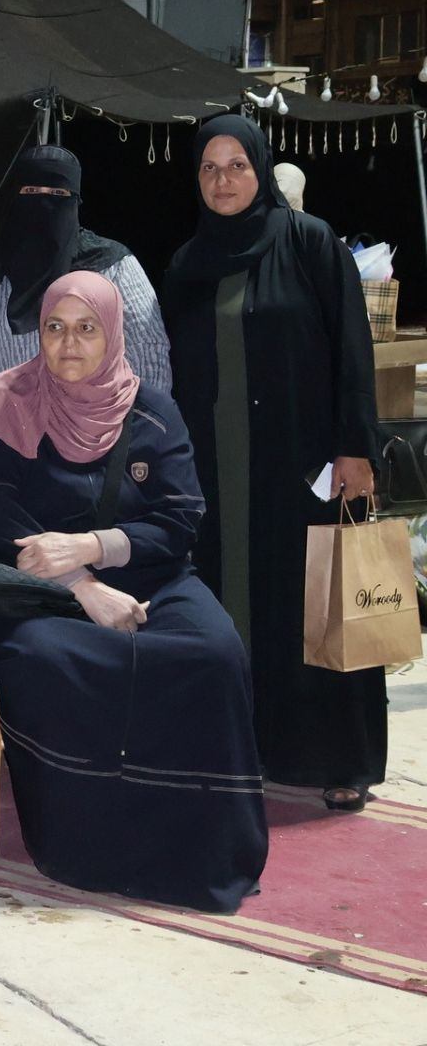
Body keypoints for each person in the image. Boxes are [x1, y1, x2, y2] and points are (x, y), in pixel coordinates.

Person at [0, 270, 268, 910]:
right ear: (39, 332)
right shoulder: (4, 401)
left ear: (113, 334)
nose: (69, 343)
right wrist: (82, 584)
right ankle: (86, 848)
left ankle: (199, 850)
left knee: (214, 653)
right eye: (55, 327)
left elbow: (180, 518)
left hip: (151, 576)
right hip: (38, 586)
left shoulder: (152, 411)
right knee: (51, 660)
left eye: (86, 328)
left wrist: (93, 547)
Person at [162, 114, 382, 813]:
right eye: (209, 167)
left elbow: (352, 348)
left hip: (304, 466)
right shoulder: (188, 264)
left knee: (319, 608)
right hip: (216, 473)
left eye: (237, 165)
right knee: (232, 607)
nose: (223, 180)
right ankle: (241, 748)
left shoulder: (310, 243)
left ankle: (340, 758)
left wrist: (356, 448)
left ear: (260, 169)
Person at [0, 144, 172, 419]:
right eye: (31, 191)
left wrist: (141, 426)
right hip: (9, 432)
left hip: (98, 430)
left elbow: (149, 350)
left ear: (74, 200)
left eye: (57, 194)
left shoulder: (112, 265)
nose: (43, 203)